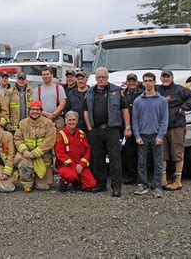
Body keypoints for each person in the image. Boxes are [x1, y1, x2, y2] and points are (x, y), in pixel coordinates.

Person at [84, 67, 131, 197]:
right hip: (96, 130)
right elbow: (86, 111)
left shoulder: (116, 91)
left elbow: (125, 109)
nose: (101, 79)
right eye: (99, 77)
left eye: (103, 77)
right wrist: (89, 128)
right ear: (96, 78)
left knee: (115, 159)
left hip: (112, 130)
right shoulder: (90, 92)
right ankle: (101, 184)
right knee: (98, 159)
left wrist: (127, 127)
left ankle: (116, 187)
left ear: (107, 78)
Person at [157, 69, 191, 191]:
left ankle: (177, 181)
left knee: (177, 154)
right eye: (163, 77)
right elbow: (144, 87)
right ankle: (163, 179)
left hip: (177, 126)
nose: (165, 79)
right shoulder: (158, 89)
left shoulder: (179, 89)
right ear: (160, 78)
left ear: (172, 77)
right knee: (162, 154)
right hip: (162, 128)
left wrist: (184, 107)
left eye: (168, 76)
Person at [132, 72, 168, 198]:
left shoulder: (162, 100)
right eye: (145, 81)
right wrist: (137, 136)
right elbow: (135, 120)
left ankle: (157, 187)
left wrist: (160, 136)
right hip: (142, 135)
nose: (148, 83)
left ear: (154, 82)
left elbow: (164, 120)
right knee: (141, 162)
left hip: (156, 136)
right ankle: (142, 184)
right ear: (142, 83)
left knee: (158, 163)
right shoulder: (138, 101)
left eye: (150, 81)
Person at [14, 100, 56, 192]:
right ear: (29, 110)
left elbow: (49, 141)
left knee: (43, 187)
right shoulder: (22, 123)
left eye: (37, 109)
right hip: (26, 154)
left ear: (41, 111)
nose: (35, 111)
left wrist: (35, 153)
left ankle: (38, 179)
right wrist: (25, 151)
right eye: (33, 109)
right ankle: (27, 183)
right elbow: (17, 139)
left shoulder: (48, 123)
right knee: (24, 164)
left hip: (42, 156)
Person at [55, 111, 96, 192]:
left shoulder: (81, 134)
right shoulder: (60, 135)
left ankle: (76, 182)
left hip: (79, 165)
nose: (72, 122)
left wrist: (81, 165)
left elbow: (87, 151)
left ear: (77, 121)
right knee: (71, 176)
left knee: (91, 184)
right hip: (65, 165)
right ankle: (63, 182)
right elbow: (60, 154)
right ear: (66, 121)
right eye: (69, 120)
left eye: (74, 120)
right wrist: (74, 166)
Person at [121, 73, 144, 184]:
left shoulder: (142, 94)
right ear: (126, 82)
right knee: (128, 153)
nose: (131, 83)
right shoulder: (122, 94)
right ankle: (131, 175)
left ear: (137, 82)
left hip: (141, 128)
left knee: (142, 153)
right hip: (127, 127)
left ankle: (143, 176)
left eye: (133, 81)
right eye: (129, 81)